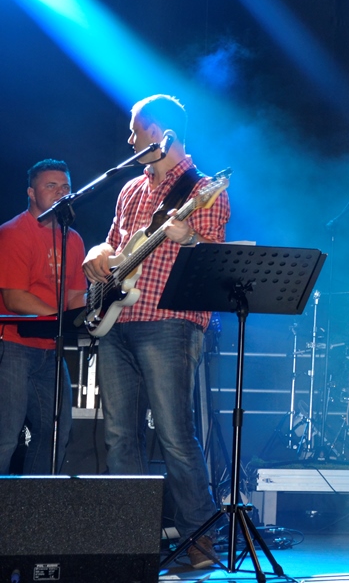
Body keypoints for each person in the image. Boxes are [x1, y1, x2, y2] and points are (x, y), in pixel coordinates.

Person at [82, 94, 229, 569]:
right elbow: (115, 244)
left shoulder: (203, 189)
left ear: (159, 132)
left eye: (134, 130)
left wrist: (192, 238)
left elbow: (216, 262)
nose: (129, 140)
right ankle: (129, 540)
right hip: (118, 319)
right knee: (118, 435)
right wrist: (96, 254)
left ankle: (201, 537)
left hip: (170, 322)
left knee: (174, 433)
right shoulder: (130, 189)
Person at [0, 159, 87, 475]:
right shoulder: (13, 233)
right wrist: (63, 317)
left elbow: (76, 296)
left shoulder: (73, 239)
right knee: (5, 437)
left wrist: (96, 310)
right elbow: (15, 298)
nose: (61, 192)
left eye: (65, 187)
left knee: (56, 434)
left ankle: (35, 503)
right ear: (31, 193)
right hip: (13, 346)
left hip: (52, 349)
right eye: (51, 186)